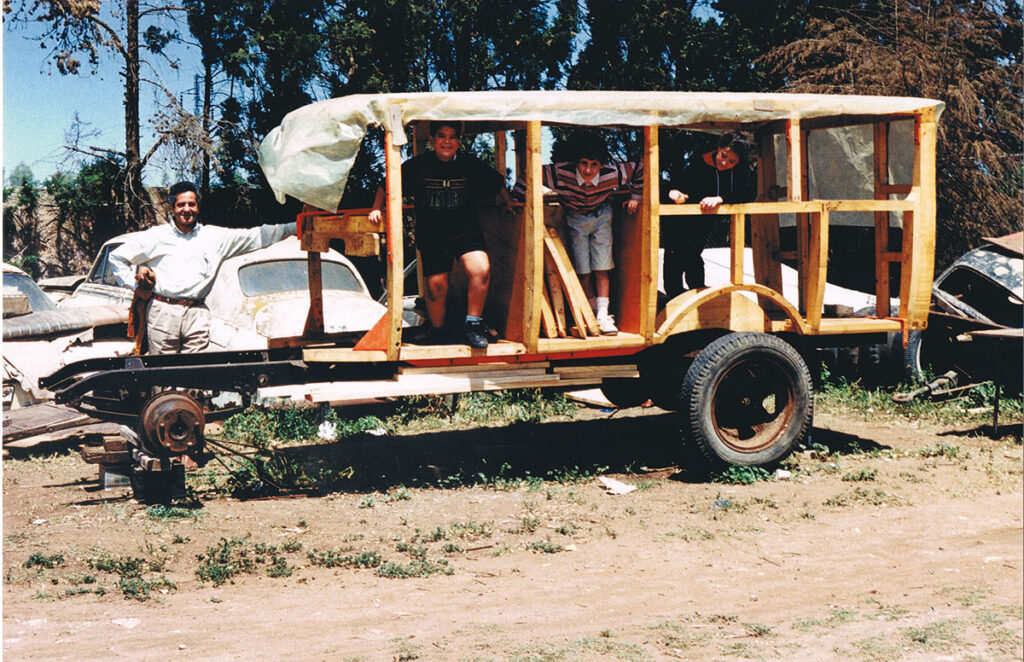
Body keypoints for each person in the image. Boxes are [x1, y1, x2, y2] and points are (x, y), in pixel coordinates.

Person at [369, 121, 513, 348]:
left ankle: (473, 325)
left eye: (452, 137)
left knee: (481, 270)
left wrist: (508, 201)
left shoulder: (469, 164)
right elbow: (386, 185)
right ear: (433, 140)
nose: (447, 141)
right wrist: (377, 208)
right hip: (433, 234)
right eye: (442, 136)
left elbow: (496, 182)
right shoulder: (417, 166)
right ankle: (437, 332)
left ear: (458, 141)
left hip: (466, 231)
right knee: (436, 288)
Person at [109, 181, 297, 354]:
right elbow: (116, 257)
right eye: (181, 204)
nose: (187, 209)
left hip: (197, 313)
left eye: (191, 204)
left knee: (196, 374)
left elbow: (256, 236)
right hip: (163, 312)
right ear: (172, 208)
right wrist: (136, 288)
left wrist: (295, 227)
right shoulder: (156, 236)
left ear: (198, 207)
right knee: (162, 373)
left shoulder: (214, 237)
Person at [511, 135, 643, 335]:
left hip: (601, 217)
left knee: (602, 267)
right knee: (583, 271)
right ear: (576, 163)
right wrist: (515, 200)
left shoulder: (613, 173)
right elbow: (529, 173)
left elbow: (640, 169)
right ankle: (589, 314)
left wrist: (636, 196)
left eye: (594, 164)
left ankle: (603, 316)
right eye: (583, 163)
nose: (588, 170)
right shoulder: (559, 173)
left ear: (602, 164)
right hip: (575, 220)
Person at [662, 130, 755, 298]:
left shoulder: (741, 170)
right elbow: (678, 184)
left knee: (694, 254)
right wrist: (676, 193)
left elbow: (747, 193)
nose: (725, 163)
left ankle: (698, 292)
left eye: (732, 161)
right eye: (723, 156)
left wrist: (721, 198)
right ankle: (673, 296)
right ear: (719, 148)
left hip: (705, 219)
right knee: (674, 255)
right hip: (680, 218)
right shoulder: (699, 162)